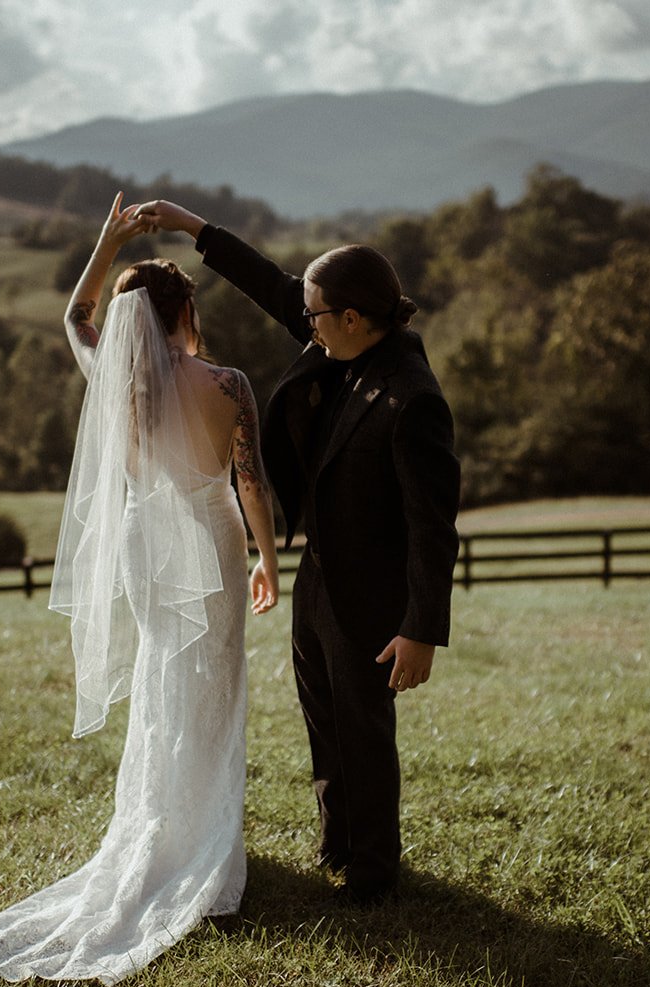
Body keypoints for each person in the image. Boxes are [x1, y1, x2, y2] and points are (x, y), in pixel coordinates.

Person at [0, 194, 279, 983]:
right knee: (215, 683)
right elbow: (250, 480)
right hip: (212, 542)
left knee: (165, 675)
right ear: (186, 309)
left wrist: (103, 243)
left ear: (132, 318)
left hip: (145, 552)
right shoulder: (228, 384)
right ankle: (204, 840)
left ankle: (161, 824)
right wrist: (267, 557)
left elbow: (74, 316)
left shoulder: (113, 384)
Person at [137, 200, 460, 906]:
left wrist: (421, 629)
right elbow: (272, 283)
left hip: (372, 594)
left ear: (350, 317)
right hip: (318, 576)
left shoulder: (412, 399)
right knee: (322, 717)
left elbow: (434, 526)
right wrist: (191, 228)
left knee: (363, 728)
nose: (301, 322)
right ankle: (336, 840)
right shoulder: (336, 339)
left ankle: (374, 871)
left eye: (312, 315)